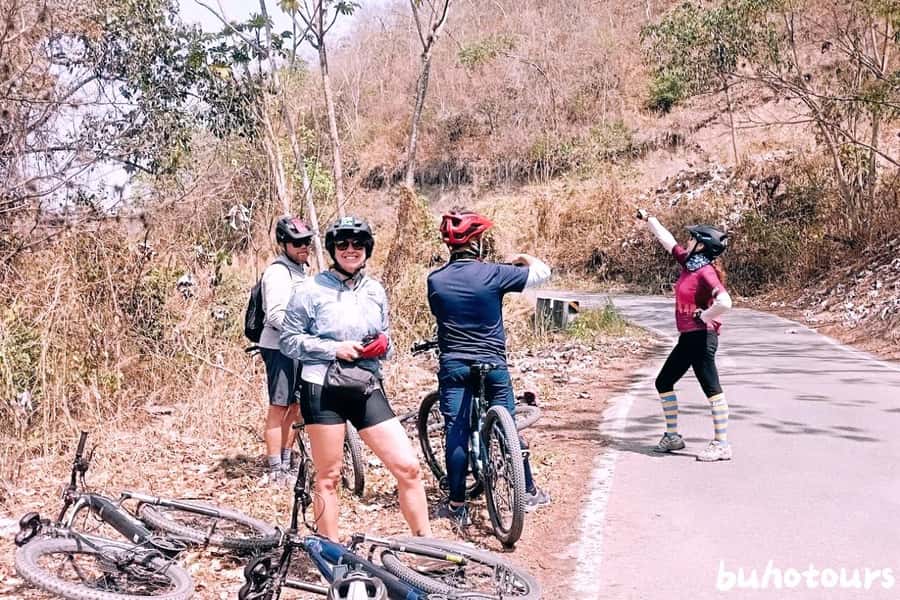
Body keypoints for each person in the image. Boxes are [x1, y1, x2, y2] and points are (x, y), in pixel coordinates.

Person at [280, 216, 431, 540]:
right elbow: (289, 340)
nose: (351, 250)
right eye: (343, 244)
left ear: (367, 249)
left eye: (358, 243)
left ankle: (426, 547)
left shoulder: (375, 291)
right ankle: (331, 554)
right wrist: (334, 348)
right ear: (333, 249)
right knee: (329, 476)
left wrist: (383, 345)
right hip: (323, 388)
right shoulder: (309, 290)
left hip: (365, 385)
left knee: (409, 468)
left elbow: (385, 336)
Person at [426, 210, 553, 526]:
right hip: (493, 364)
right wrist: (522, 256)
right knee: (507, 422)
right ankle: (528, 491)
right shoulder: (495, 273)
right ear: (478, 243)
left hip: (454, 366)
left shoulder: (435, 280)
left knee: (456, 432)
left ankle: (457, 505)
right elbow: (542, 272)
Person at [636, 208, 734, 461]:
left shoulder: (705, 272)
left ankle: (722, 444)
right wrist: (650, 220)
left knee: (712, 389)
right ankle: (672, 437)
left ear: (701, 246)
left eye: (691, 239)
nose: (686, 242)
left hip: (701, 338)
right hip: (688, 338)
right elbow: (667, 241)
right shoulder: (689, 264)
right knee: (663, 382)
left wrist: (705, 316)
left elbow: (725, 301)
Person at [258, 216, 313, 486]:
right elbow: (276, 315)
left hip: (300, 347)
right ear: (284, 243)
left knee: (296, 405)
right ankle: (274, 468)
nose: (304, 246)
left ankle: (287, 459)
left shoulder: (302, 271)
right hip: (279, 347)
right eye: (297, 242)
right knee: (279, 406)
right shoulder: (278, 272)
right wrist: (302, 333)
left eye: (307, 241)